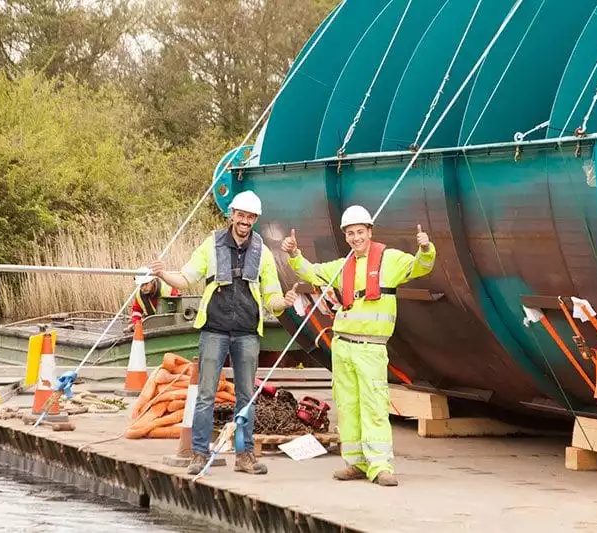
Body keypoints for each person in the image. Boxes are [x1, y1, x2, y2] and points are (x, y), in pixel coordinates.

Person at [281, 205, 436, 487]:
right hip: (343, 346)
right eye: (350, 233)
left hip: (371, 348)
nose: (355, 238)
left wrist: (426, 249)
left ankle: (380, 466)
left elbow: (419, 267)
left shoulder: (390, 260)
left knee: (374, 405)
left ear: (369, 231)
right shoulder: (342, 266)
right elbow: (311, 272)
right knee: (348, 406)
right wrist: (293, 254)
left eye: (360, 232)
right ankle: (356, 463)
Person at [149, 190, 299, 476]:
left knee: (246, 396)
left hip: (246, 333)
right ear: (232, 215)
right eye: (240, 215)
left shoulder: (263, 252)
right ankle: (199, 454)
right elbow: (187, 277)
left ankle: (245, 457)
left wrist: (285, 303)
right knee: (206, 395)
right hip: (214, 330)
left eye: (250, 216)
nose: (245, 221)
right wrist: (162, 274)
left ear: (255, 219)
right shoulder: (212, 244)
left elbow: (272, 298)